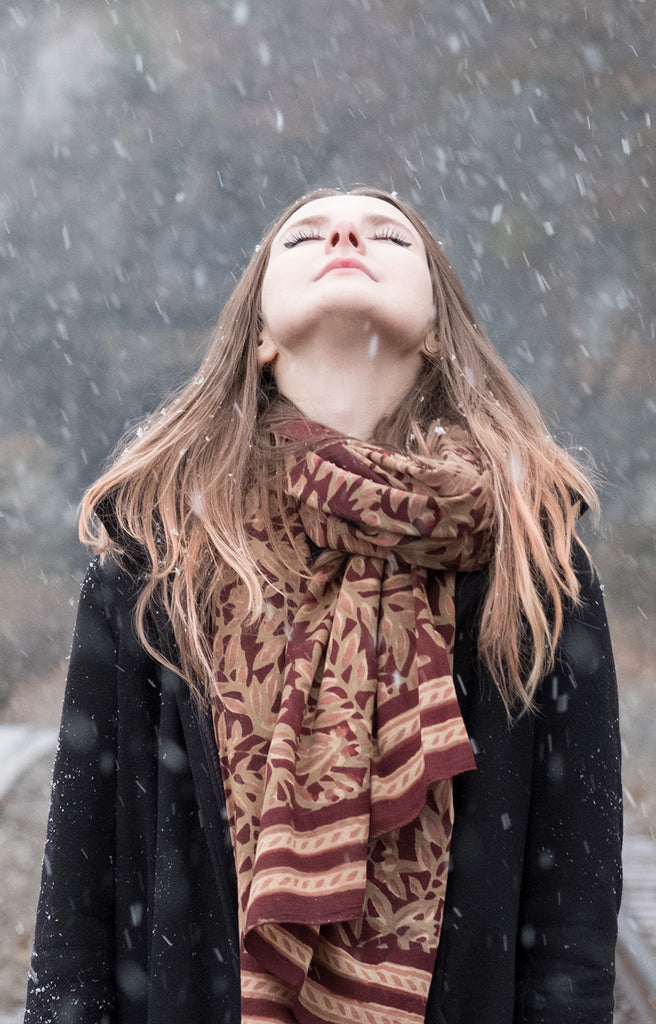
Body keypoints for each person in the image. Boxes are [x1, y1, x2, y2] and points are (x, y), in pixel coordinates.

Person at [24, 187, 622, 1024]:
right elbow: (76, 908)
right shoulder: (155, 557)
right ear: (260, 336)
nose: (346, 233)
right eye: (306, 235)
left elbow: (572, 923)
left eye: (389, 235)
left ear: (440, 332)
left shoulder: (533, 562)